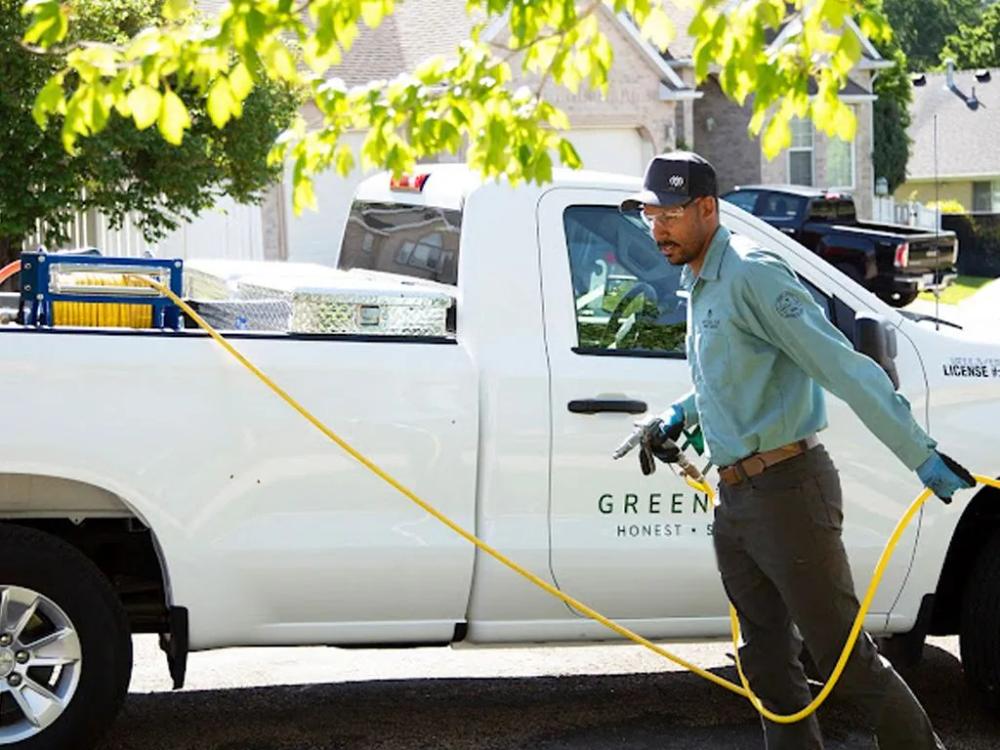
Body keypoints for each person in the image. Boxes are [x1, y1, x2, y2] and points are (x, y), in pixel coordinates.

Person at [621, 151, 975, 750]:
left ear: (707, 209)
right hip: (735, 500)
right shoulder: (702, 282)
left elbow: (841, 366)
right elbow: (729, 373)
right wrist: (678, 415)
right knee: (764, 664)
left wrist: (921, 455)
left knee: (843, 661)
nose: (658, 230)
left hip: (788, 493)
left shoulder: (754, 275)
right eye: (652, 216)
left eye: (672, 215)